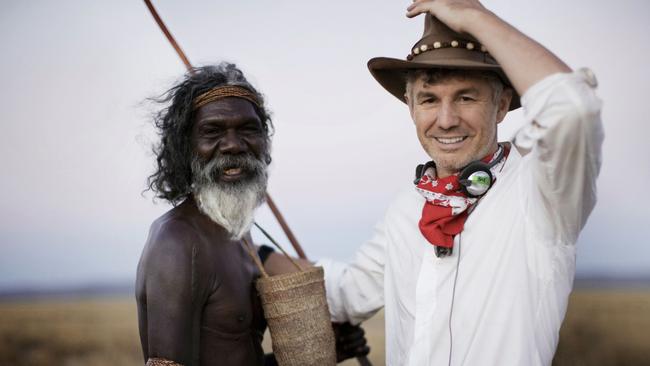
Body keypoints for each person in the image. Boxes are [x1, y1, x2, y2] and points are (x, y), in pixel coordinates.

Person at [318, 1, 604, 365]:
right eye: (429, 99)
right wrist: (243, 249)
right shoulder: (405, 207)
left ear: (501, 104)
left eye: (466, 97)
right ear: (410, 106)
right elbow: (345, 293)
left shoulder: (540, 193)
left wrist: (474, 18)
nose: (446, 119)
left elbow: (572, 109)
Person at [136, 63, 368, 366]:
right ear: (185, 146)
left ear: (264, 140)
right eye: (212, 131)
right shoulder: (178, 241)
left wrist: (331, 351)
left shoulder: (238, 232)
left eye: (248, 129)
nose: (233, 144)